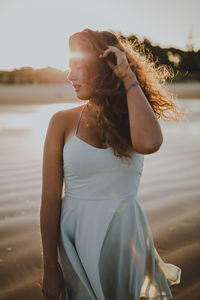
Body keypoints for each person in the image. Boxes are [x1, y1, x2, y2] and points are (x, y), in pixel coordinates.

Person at [40, 28, 183, 300]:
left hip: (125, 236)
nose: (69, 76)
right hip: (75, 238)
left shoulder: (134, 116)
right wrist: (49, 267)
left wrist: (127, 76)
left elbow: (150, 143)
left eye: (78, 67)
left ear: (104, 69)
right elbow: (49, 197)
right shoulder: (61, 121)